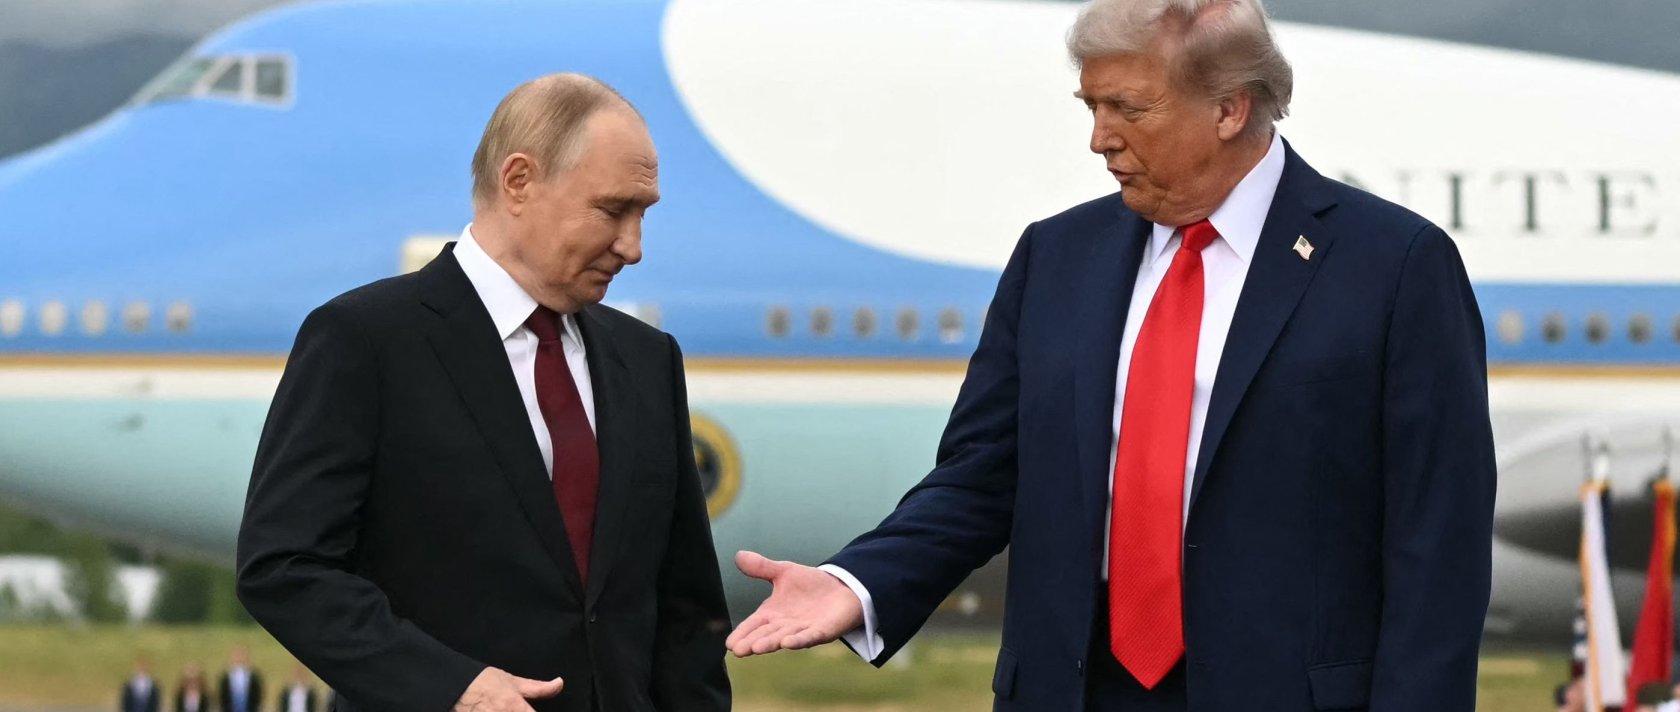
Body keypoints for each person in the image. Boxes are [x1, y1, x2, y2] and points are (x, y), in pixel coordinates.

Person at [726, 0, 1496, 709]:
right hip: (1073, 688)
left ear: (1230, 108)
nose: (1100, 137)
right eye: (1091, 106)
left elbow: (1438, 542)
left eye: (1127, 108)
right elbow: (983, 475)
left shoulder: (1392, 265)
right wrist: (858, 584)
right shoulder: (1057, 257)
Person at [236, 73, 730, 712]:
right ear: (518, 181)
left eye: (643, 214)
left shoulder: (648, 360)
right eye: (612, 210)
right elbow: (284, 566)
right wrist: (449, 688)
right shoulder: (365, 340)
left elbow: (685, 612)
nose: (633, 247)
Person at [217, 645, 263, 712]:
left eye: (242, 656)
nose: (239, 658)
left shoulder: (254, 677)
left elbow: (257, 697)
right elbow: (222, 697)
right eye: (237, 656)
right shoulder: (225, 678)